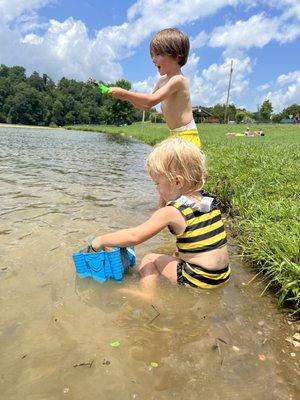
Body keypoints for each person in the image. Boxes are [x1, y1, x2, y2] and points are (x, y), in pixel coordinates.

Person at [89, 138, 230, 301]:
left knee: (150, 259)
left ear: (177, 181)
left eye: (157, 183)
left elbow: (135, 236)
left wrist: (100, 240)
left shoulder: (173, 211)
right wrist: (165, 194)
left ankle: (147, 294)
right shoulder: (207, 200)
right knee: (177, 251)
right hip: (222, 275)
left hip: (198, 279)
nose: (156, 188)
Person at [92, 28, 201, 149]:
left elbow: (151, 100)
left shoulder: (178, 80)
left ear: (176, 56)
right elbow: (146, 106)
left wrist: (125, 94)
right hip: (175, 136)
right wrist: (125, 98)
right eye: (153, 55)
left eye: (158, 54)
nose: (153, 60)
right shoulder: (162, 81)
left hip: (187, 136)